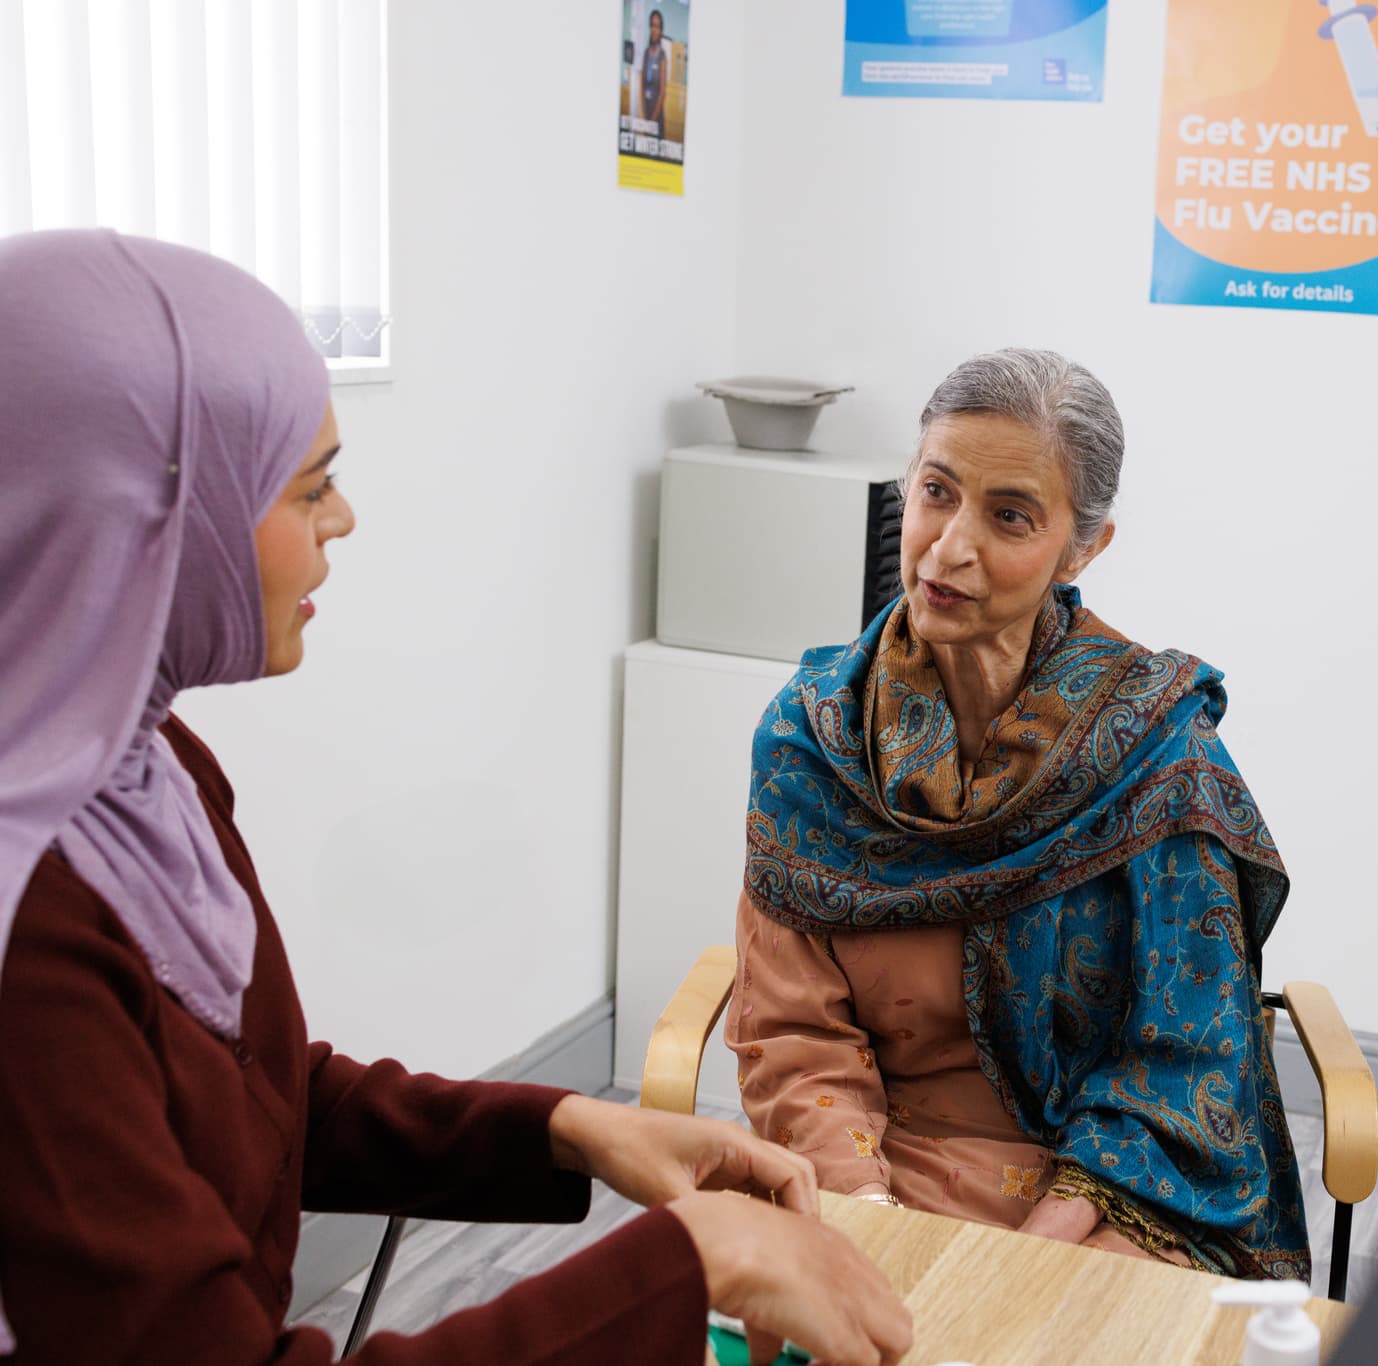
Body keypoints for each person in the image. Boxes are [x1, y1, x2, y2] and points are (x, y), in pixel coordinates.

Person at [0, 229, 911, 1366]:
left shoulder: (145, 769)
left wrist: (570, 1124)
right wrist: (691, 1264)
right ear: (135, 516)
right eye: (311, 484)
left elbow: (269, 1101)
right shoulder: (28, 931)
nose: (344, 520)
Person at [724, 348, 1308, 1279]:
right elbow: (799, 1038)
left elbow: (1184, 1062)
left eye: (1009, 517)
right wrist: (868, 1217)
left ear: (1084, 547)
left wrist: (1029, 1269)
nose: (950, 548)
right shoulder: (813, 739)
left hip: (1110, 1197)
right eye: (935, 493)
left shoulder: (1160, 759)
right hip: (869, 1167)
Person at [641, 7, 669, 139]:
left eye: (657, 26)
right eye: (652, 25)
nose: (654, 29)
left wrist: (651, 122)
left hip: (657, 117)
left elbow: (663, 92)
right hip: (646, 114)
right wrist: (644, 118)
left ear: (661, 30)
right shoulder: (646, 54)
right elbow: (642, 86)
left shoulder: (662, 57)